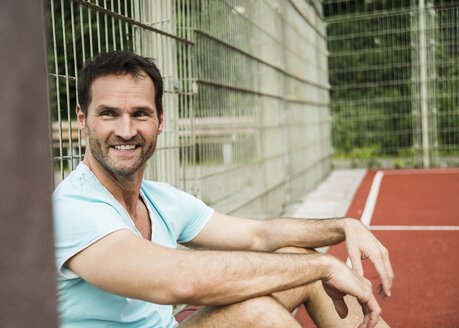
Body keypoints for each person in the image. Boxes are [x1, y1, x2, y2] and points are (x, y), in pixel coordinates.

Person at [53, 50, 394, 328]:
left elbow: (258, 235)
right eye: (109, 114)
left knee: (300, 262)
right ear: (83, 119)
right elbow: (183, 281)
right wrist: (326, 267)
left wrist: (344, 226)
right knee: (260, 311)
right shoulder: (72, 207)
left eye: (140, 113)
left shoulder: (159, 198)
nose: (126, 130)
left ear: (160, 120)